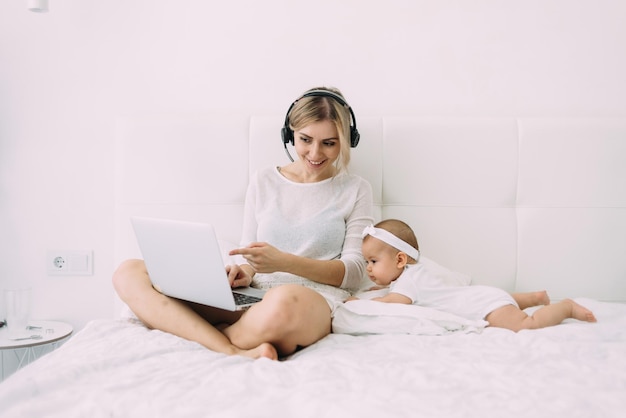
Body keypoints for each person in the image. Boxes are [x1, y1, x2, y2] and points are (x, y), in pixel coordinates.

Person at [112, 87, 374, 360]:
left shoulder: (356, 189)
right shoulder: (264, 181)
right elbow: (249, 251)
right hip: (254, 295)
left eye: (329, 143)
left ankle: (199, 333)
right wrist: (245, 272)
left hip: (309, 300)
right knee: (128, 272)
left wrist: (284, 262)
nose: (315, 153)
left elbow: (355, 272)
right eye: (305, 139)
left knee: (285, 302)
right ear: (289, 134)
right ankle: (230, 347)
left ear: (346, 141)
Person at [347, 219, 597, 331]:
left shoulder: (409, 282)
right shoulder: (415, 273)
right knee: (502, 300)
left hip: (485, 305)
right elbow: (394, 293)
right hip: (485, 296)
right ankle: (532, 298)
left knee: (524, 325)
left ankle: (565, 308)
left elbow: (393, 303)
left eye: (373, 261)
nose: (368, 268)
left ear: (400, 260)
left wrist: (362, 302)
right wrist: (380, 288)